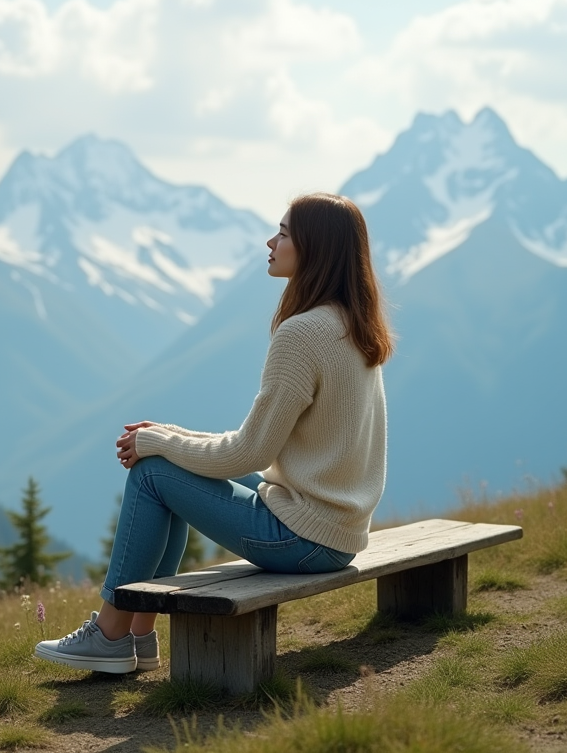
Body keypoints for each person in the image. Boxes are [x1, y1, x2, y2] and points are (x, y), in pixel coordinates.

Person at [34, 192, 392, 674]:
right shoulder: (354, 325)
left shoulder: (301, 335)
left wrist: (157, 443)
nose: (271, 241)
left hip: (304, 539)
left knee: (152, 474)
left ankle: (112, 633)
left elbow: (247, 452)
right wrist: (169, 434)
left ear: (314, 248)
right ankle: (138, 636)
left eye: (284, 233)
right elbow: (259, 439)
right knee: (169, 465)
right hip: (338, 530)